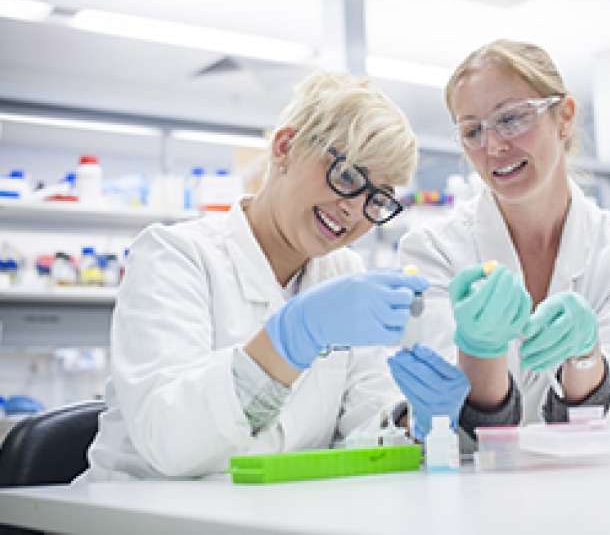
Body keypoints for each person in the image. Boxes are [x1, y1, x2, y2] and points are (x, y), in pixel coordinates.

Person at [81, 71, 435, 480]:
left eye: (378, 199)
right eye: (347, 177)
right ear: (285, 148)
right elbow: (171, 441)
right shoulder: (175, 255)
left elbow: (364, 424)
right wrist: (287, 341)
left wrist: (416, 420)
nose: (354, 211)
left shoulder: (344, 273)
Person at [397, 39, 610, 444]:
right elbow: (454, 432)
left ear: (565, 117)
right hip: (476, 495)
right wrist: (480, 351)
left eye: (511, 119)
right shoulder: (432, 251)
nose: (494, 146)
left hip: (588, 490)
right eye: (472, 131)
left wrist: (586, 357)